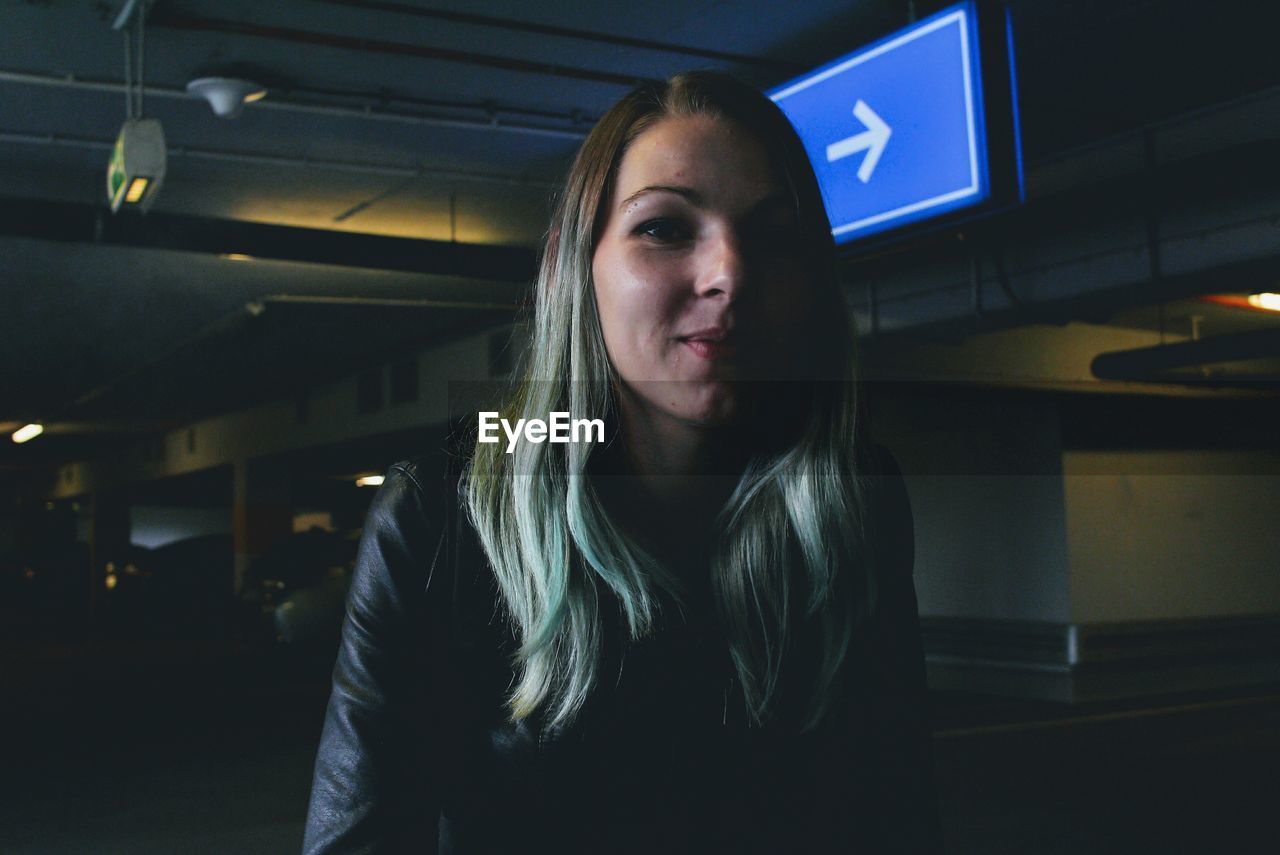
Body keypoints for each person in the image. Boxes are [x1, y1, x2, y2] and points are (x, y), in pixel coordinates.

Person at [303, 71, 942, 854]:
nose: (729, 274)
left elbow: (898, 813)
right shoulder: (442, 509)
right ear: (579, 267)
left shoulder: (853, 496)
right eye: (665, 228)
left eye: (773, 236)